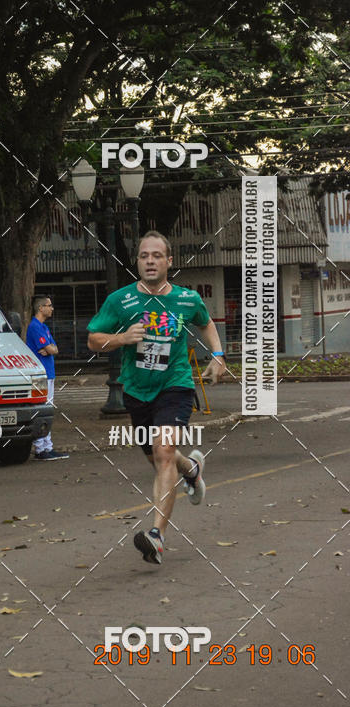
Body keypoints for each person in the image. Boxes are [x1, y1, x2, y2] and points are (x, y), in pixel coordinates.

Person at [87, 231, 227, 565]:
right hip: (136, 390)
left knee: (164, 452)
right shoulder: (120, 301)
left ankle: (156, 536)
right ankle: (190, 468)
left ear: (169, 261)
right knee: (159, 458)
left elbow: (206, 323)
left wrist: (218, 355)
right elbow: (93, 339)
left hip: (175, 385)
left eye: (156, 255)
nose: (150, 261)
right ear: (137, 262)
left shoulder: (186, 299)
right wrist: (122, 338)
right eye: (144, 256)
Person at [26, 295, 69, 460]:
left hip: (48, 373)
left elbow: (54, 349)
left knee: (47, 410)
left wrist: (50, 348)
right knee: (42, 410)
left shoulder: (43, 327)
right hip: (41, 375)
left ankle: (47, 446)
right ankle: (40, 448)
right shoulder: (35, 327)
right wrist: (49, 348)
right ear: (40, 308)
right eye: (49, 305)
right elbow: (51, 349)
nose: (52, 308)